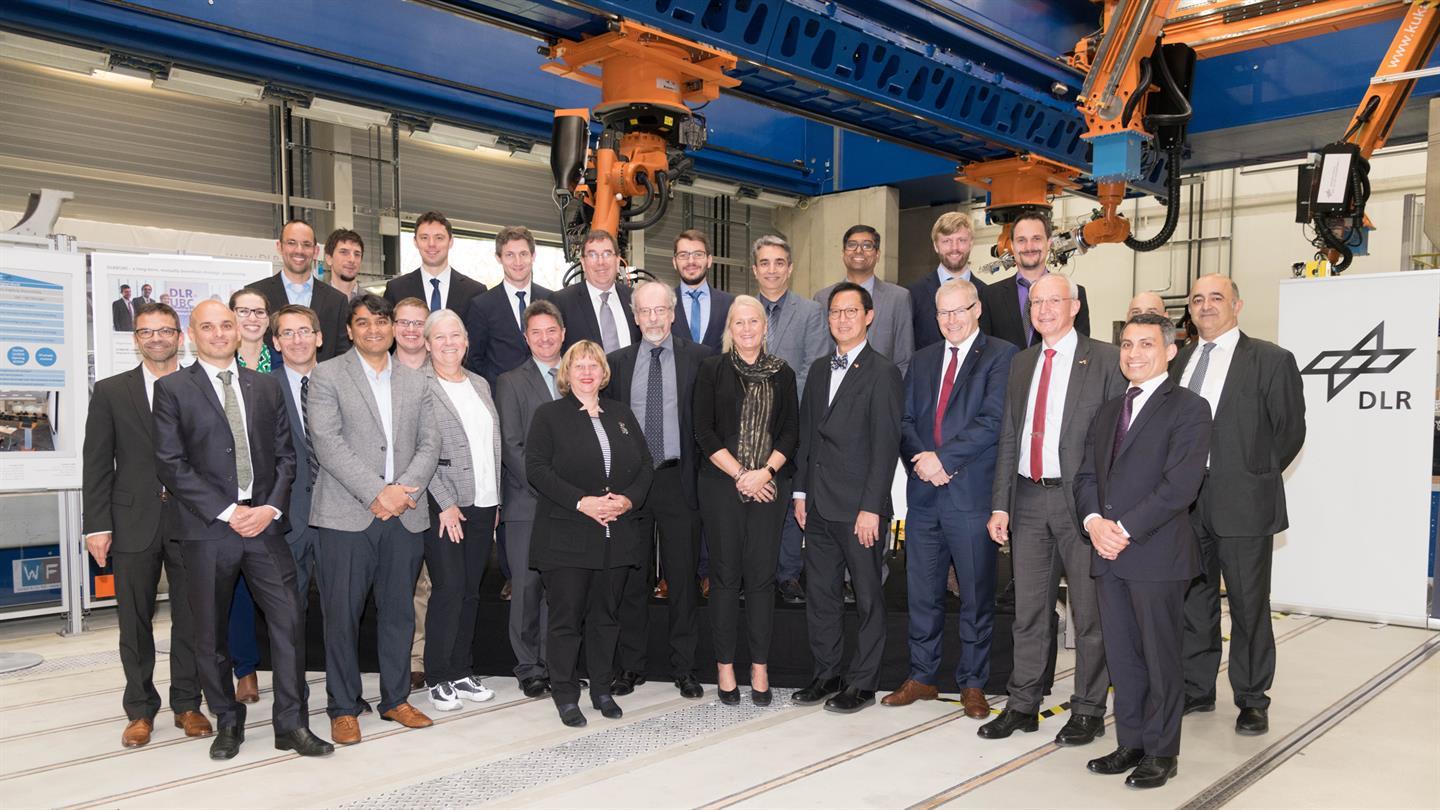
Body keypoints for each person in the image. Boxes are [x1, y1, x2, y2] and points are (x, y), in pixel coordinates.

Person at [151, 299, 332, 760]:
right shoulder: (173, 389)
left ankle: (291, 724)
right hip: (210, 528)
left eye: (226, 325)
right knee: (210, 634)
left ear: (239, 331)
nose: (218, 333)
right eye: (207, 326)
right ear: (192, 334)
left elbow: (288, 456)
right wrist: (230, 511)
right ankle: (228, 722)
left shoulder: (266, 386)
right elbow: (171, 464)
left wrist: (269, 508)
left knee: (290, 621)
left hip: (265, 524)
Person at [980, 273, 1123, 746]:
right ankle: (1022, 705)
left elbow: (1117, 440)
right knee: (1029, 613)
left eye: (1053, 300)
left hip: (1081, 504)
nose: (1043, 309)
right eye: (1036, 301)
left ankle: (1087, 709)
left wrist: (1106, 508)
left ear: (1074, 306)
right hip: (1027, 500)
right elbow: (1008, 438)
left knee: (1089, 613)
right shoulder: (1022, 363)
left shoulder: (1104, 358)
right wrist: (1000, 504)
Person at [1075, 313, 1212, 789]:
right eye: (1127, 344)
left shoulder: (1190, 409)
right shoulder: (1109, 410)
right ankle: (1130, 740)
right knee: (1123, 656)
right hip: (1107, 552)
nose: (1134, 353)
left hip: (1155, 554)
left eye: (1146, 344)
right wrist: (1094, 523)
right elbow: (1087, 477)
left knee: (1159, 657)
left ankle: (1161, 750)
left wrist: (1123, 529)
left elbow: (1180, 488)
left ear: (1171, 350)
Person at [308, 294, 441, 745]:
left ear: (393, 327)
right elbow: (327, 444)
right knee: (342, 615)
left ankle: (395, 699)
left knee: (399, 614)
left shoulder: (416, 380)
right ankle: (343, 707)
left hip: (403, 514)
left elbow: (430, 443)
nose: (373, 330)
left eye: (380, 322)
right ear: (349, 330)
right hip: (347, 515)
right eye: (362, 323)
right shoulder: (327, 375)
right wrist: (375, 492)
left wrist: (401, 493)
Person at [1176, 274, 1305, 736]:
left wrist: (1253, 475)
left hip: (1244, 502)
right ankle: (1196, 687)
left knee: (1250, 604)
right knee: (1195, 600)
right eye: (1198, 299)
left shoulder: (1270, 360)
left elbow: (1290, 431)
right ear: (1189, 310)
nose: (1206, 306)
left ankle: (1252, 698)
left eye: (1216, 297)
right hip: (1187, 504)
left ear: (1237, 304)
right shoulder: (1181, 361)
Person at [82, 302, 211, 749]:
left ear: (180, 336)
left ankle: (188, 704)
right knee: (132, 619)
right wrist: (96, 525)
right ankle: (139, 709)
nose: (156, 338)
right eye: (146, 332)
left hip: (192, 518)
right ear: (135, 339)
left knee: (191, 617)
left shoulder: (201, 386)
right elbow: (96, 462)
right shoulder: (112, 391)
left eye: (165, 331)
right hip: (131, 519)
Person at [886, 279, 1015, 718]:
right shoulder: (921, 361)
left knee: (977, 595)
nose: (952, 320)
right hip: (924, 497)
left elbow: (992, 420)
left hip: (970, 495)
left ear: (977, 309)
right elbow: (904, 422)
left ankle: (973, 683)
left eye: (960, 310)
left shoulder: (1001, 356)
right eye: (944, 313)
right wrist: (922, 462)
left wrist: (943, 461)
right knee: (922, 593)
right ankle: (922, 676)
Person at [525, 341, 653, 727]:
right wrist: (583, 502)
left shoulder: (621, 414)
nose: (586, 372)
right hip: (566, 536)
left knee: (606, 617)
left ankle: (601, 689)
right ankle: (565, 695)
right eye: (578, 365)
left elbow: (646, 466)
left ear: (603, 373)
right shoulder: (549, 415)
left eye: (593, 366)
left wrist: (627, 501)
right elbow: (536, 469)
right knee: (566, 620)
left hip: (615, 534)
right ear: (567, 373)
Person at [791, 282, 904, 714]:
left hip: (860, 510)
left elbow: (885, 446)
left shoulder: (883, 372)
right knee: (821, 595)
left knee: (868, 597)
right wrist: (800, 491)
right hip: (817, 505)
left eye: (851, 311)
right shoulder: (820, 369)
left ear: (869, 316)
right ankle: (827, 673)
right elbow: (807, 437)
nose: (842, 319)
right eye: (835, 312)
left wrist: (871, 507)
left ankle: (862, 682)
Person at [604, 281, 715, 699]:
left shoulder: (701, 359)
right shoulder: (616, 363)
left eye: (660, 311)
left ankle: (684, 668)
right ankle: (631, 666)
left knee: (683, 577)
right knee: (632, 576)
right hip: (631, 482)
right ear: (635, 316)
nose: (652, 319)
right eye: (644, 312)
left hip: (677, 478)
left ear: (672, 314)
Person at [693, 295, 798, 705]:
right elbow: (704, 431)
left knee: (760, 579)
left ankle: (759, 666)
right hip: (721, 485)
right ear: (730, 329)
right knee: (724, 578)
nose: (748, 328)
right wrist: (741, 475)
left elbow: (791, 431)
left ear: (765, 327)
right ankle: (724, 667)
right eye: (740, 322)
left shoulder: (782, 373)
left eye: (755, 321)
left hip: (769, 486)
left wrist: (764, 473)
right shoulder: (711, 370)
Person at [419, 309, 502, 712]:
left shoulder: (481, 384)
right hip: (444, 505)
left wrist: (497, 497)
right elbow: (417, 452)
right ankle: (437, 676)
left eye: (456, 335)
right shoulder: (419, 386)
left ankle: (461, 670)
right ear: (427, 343)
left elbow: (491, 445)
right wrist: (444, 503)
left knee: (471, 590)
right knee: (448, 589)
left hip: (484, 503)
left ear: (467, 341)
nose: (449, 343)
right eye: (440, 337)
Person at [750, 234, 831, 604]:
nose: (772, 270)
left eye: (779, 262)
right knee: (747, 500)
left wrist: (777, 411)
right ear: (754, 269)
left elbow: (811, 369)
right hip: (745, 428)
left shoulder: (811, 312)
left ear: (790, 268)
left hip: (793, 423)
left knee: (787, 499)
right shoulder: (742, 309)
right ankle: (751, 573)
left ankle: (786, 573)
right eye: (764, 263)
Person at [495, 300, 566, 698]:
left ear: (563, 334)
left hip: (570, 506)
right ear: (526, 338)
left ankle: (554, 663)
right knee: (526, 588)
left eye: (551, 331)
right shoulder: (510, 381)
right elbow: (511, 445)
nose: (544, 338)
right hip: (528, 501)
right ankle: (528, 667)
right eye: (536, 332)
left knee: (559, 589)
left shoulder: (576, 377)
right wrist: (553, 487)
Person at [221, 287, 274, 704]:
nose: (252, 318)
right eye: (243, 311)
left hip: (276, 492)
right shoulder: (219, 366)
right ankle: (246, 668)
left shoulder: (284, 358)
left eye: (259, 311)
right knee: (237, 590)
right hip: (231, 500)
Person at [270, 305, 324, 621]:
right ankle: (290, 674)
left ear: (318, 337)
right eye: (287, 333)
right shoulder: (262, 388)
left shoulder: (344, 382)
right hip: (288, 517)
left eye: (304, 331)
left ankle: (341, 673)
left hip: (340, 517)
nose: (296, 340)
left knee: (342, 609)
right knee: (288, 612)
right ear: (276, 343)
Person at [389, 295, 432, 688]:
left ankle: (425, 655)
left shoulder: (446, 371)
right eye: (404, 322)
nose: (411, 330)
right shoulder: (379, 373)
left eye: (419, 323)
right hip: (390, 496)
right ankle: (407, 658)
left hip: (440, 492)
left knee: (432, 583)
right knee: (405, 583)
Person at [812, 225, 913, 375]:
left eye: (867, 245)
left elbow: (904, 359)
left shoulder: (898, 298)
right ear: (843, 253)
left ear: (877, 254)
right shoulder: (822, 298)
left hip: (881, 391)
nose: (859, 250)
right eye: (852, 245)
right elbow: (819, 353)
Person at [979, 212, 1091, 348]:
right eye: (1021, 240)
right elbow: (985, 350)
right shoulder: (989, 296)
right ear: (1013, 246)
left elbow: (1081, 348)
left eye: (1036, 239)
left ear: (1049, 243)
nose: (1029, 247)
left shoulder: (1075, 293)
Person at [248, 218, 351, 361]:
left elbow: (343, 355)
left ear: (316, 251)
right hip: (271, 381)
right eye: (291, 243)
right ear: (279, 246)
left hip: (322, 382)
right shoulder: (255, 294)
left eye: (306, 244)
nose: (299, 250)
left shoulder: (336, 300)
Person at [465, 225, 554, 387]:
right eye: (510, 255)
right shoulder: (482, 305)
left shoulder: (551, 299)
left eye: (523, 254)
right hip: (501, 397)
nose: (518, 262)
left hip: (548, 393)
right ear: (499, 258)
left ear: (533, 256)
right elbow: (474, 359)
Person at [551, 229, 640, 352]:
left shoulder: (635, 299)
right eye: (592, 255)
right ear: (583, 262)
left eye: (607, 254)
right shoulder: (561, 302)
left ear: (618, 260)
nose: (600, 262)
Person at [911, 211, 989, 350]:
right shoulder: (913, 294)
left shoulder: (988, 294)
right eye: (947, 241)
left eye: (961, 240)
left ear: (971, 243)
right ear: (936, 246)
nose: (954, 248)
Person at [384, 211, 487, 315]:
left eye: (439, 238)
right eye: (424, 237)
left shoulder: (475, 292)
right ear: (415, 242)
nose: (431, 244)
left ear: (450, 241)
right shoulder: (396, 289)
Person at [670, 229, 735, 352]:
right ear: (674, 262)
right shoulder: (663, 304)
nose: (691, 261)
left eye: (698, 254)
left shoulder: (730, 304)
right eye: (683, 255)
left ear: (709, 260)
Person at [324, 229, 366, 302]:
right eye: (344, 252)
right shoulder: (316, 300)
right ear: (329, 258)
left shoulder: (374, 305)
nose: (352, 260)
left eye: (357, 254)